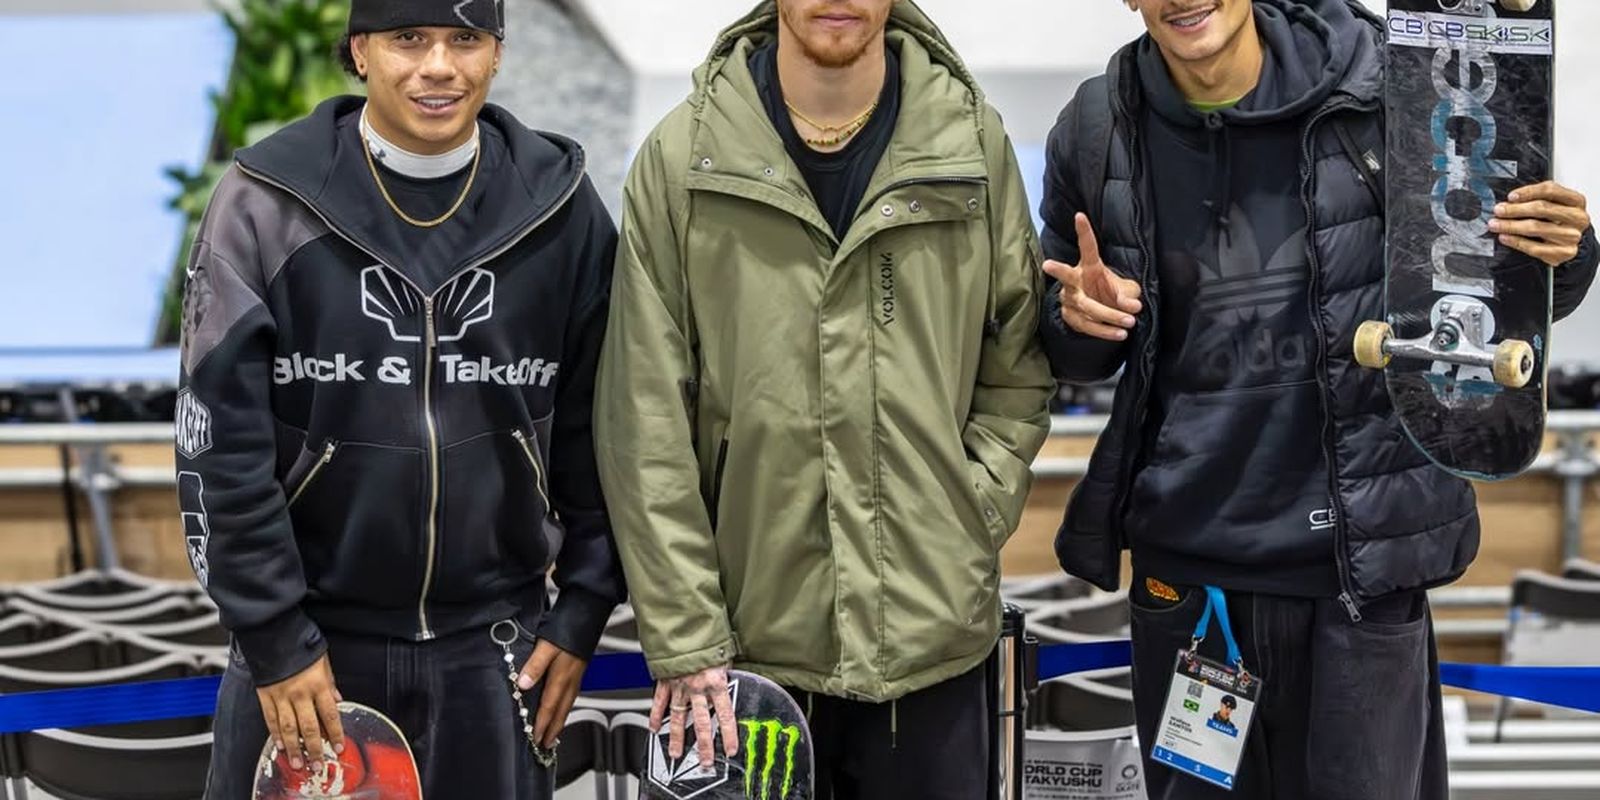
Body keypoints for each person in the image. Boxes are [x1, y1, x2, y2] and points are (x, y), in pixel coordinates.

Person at [1039, 0, 1597, 798]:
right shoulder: (1099, 128)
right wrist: (1077, 321)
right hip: (1186, 581)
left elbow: (1490, 297)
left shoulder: (1388, 86)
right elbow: (1077, 348)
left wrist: (1561, 256)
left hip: (1359, 574)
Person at [593, 0, 1054, 796]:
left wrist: (967, 515)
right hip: (745, 652)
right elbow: (644, 416)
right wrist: (687, 632)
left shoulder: (969, 144)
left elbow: (1016, 363)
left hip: (934, 640)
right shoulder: (684, 158)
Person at [174, 1, 626, 796]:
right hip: (309, 658)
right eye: (408, 39)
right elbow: (218, 443)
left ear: (496, 53)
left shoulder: (560, 210)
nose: (438, 66)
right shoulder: (263, 202)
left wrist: (585, 604)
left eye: (465, 39)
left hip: (496, 654)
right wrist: (275, 636)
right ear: (360, 51)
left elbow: (606, 429)